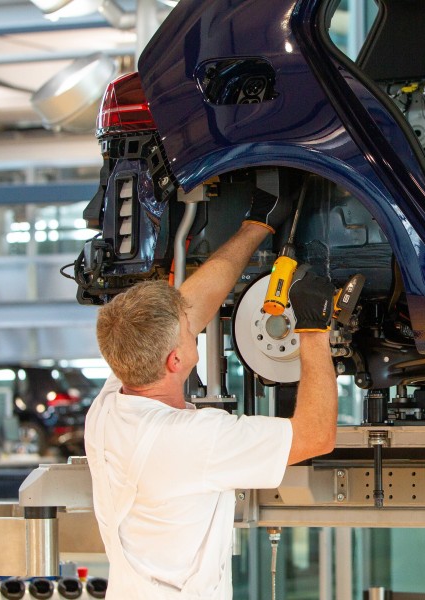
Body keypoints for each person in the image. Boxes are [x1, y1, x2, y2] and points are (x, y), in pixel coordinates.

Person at [84, 187, 338, 599]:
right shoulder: (191, 442)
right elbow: (315, 436)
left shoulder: (113, 404)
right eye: (189, 334)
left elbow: (189, 307)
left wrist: (256, 226)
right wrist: (312, 332)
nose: (196, 329)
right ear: (174, 361)